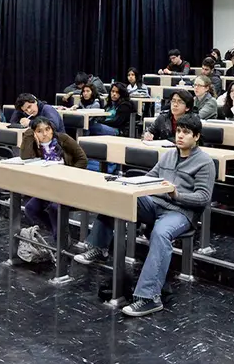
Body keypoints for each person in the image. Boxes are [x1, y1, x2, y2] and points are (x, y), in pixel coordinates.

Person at [75, 113, 215, 318]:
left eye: (186, 133)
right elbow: (150, 178)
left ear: (196, 137)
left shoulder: (205, 163)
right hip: (155, 204)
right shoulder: (168, 155)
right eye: (179, 131)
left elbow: (203, 198)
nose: (180, 136)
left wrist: (177, 195)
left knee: (160, 233)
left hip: (180, 212)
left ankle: (149, 298)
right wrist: (130, 183)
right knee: (117, 197)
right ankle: (99, 246)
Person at [19, 117, 88, 260]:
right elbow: (24, 157)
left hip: (67, 185)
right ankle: (60, 234)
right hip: (47, 187)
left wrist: (69, 174)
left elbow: (83, 159)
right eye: (39, 131)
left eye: (47, 129)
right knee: (30, 209)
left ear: (52, 129)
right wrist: (28, 135)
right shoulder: (34, 143)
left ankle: (60, 243)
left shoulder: (63, 139)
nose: (44, 134)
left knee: (54, 207)